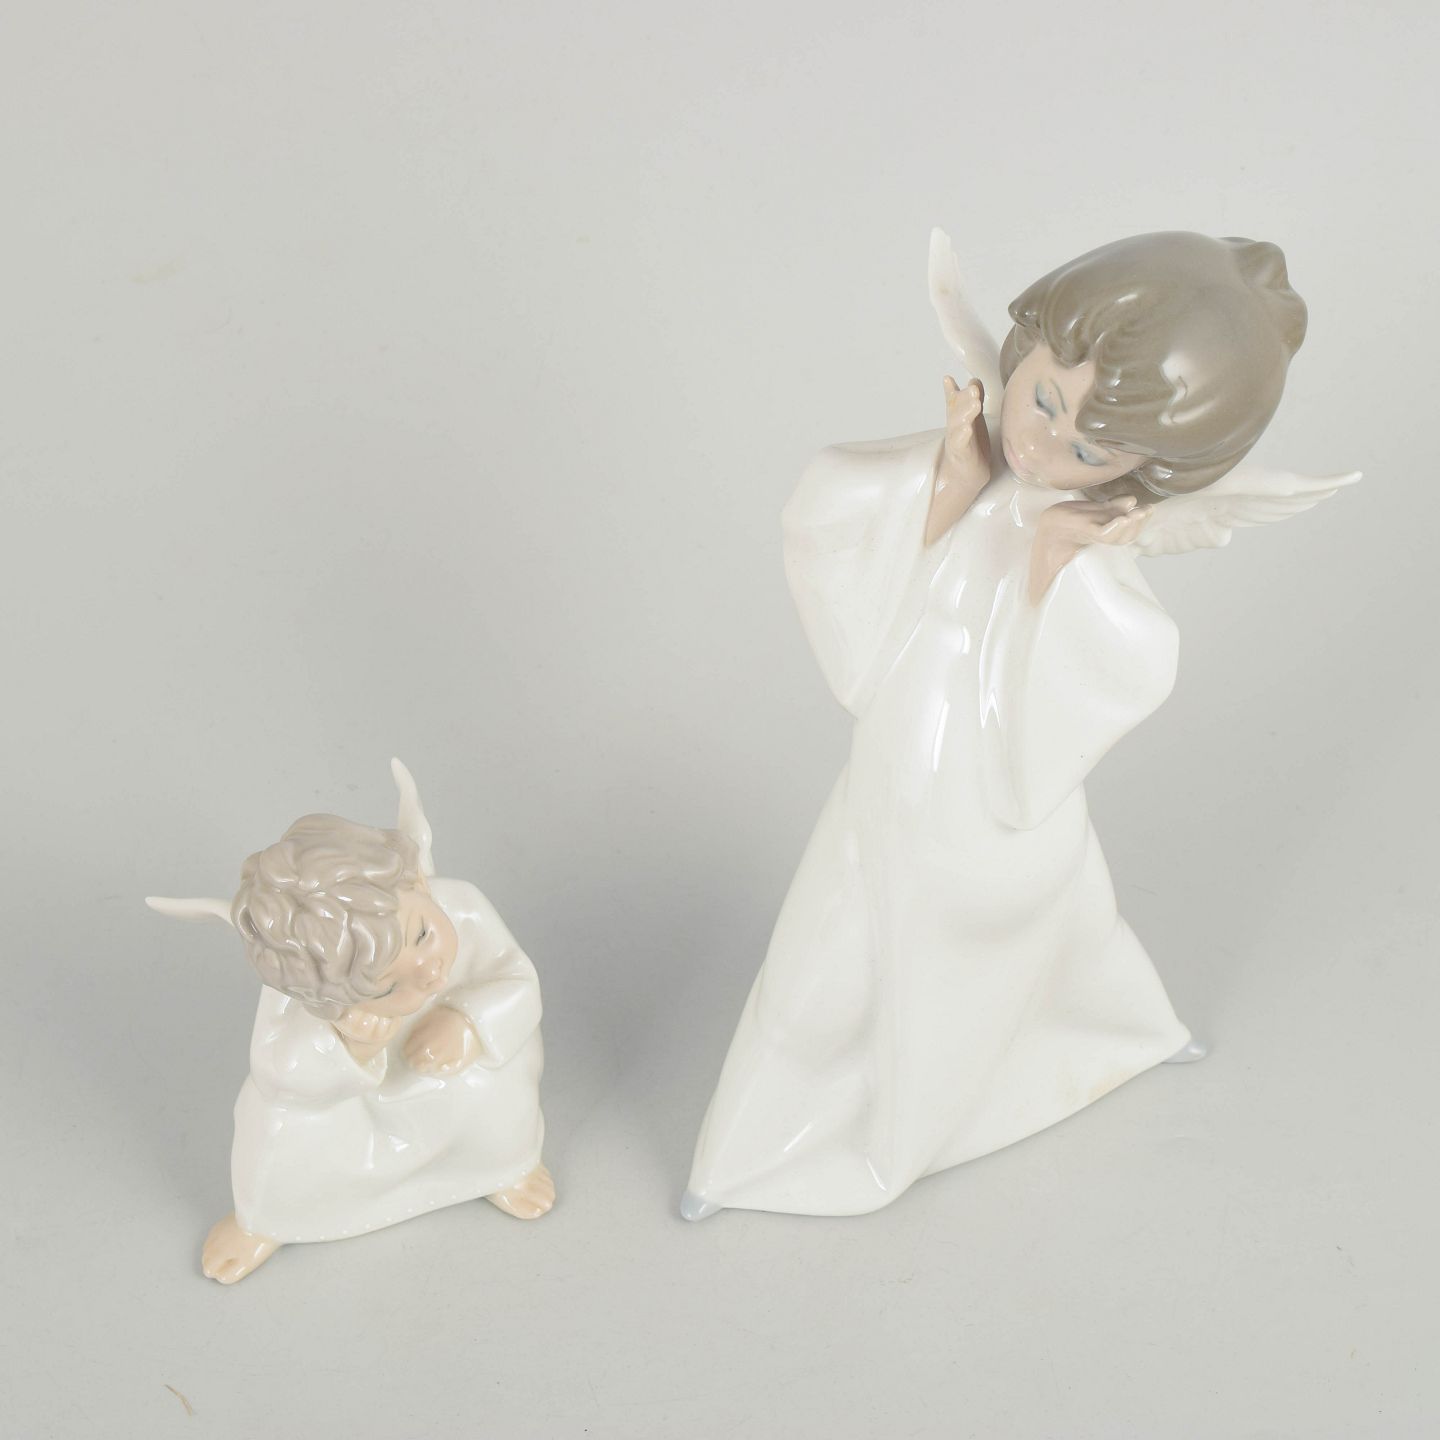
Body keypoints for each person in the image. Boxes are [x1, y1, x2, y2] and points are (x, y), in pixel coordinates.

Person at [683, 232, 1350, 1220]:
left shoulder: (1082, 541)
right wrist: (954, 477)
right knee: (854, 928)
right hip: (901, 743)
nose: (1040, 447)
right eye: (1041, 400)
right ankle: (756, 1145)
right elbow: (855, 536)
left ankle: (902, 1117)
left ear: (1149, 471)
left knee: (935, 942)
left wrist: (1053, 565)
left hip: (983, 787)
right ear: (1023, 349)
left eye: (1088, 451)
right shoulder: (980, 465)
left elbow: (1107, 664)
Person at [150, 762, 550, 1283]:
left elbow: (517, 981)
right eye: (386, 987)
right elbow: (278, 1074)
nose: (429, 974)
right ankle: (270, 1219)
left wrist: (469, 1023)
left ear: (417, 881)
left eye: (423, 935)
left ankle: (500, 1167)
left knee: (492, 1086)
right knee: (279, 1126)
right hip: (362, 1109)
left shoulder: (464, 906)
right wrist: (348, 1048)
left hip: (453, 1080)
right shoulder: (307, 981)